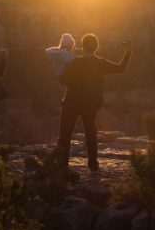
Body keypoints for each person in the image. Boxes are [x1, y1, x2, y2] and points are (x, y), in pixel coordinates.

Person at [55, 33, 131, 171]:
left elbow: (62, 79)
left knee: (65, 134)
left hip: (71, 102)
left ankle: (62, 165)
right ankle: (93, 164)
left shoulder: (75, 62)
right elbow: (120, 68)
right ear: (96, 47)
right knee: (91, 133)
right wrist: (128, 51)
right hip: (90, 104)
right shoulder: (100, 63)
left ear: (82, 47)